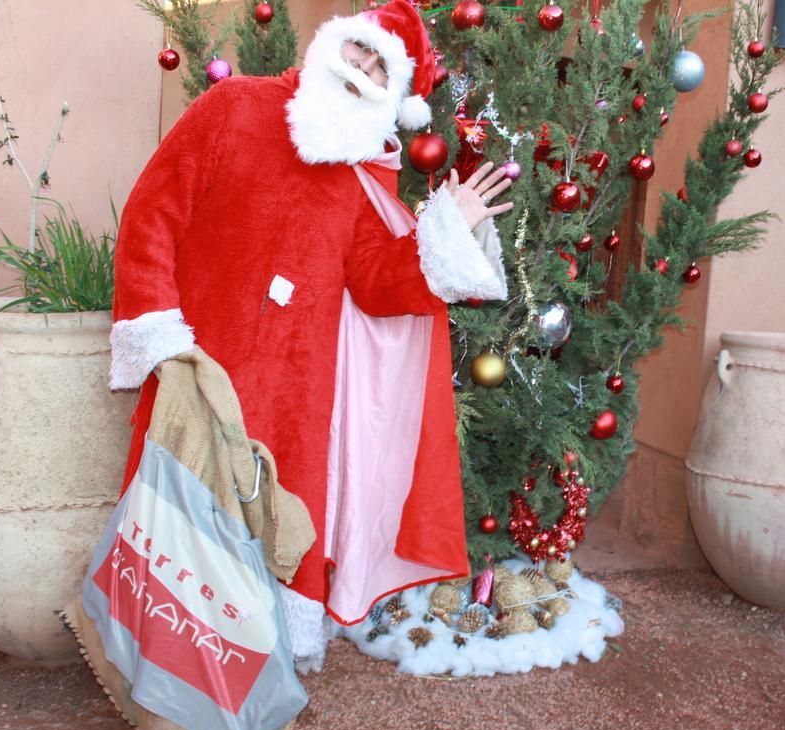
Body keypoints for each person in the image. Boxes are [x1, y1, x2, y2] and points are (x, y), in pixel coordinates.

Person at [108, 1, 512, 671]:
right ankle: (163, 676)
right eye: (361, 49)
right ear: (333, 43)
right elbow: (152, 216)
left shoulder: (357, 175)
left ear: (394, 95)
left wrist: (450, 228)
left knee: (282, 532)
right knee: (180, 519)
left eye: (383, 68)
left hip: (299, 400)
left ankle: (256, 678)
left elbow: (379, 282)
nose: (362, 70)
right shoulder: (232, 107)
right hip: (203, 371)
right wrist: (161, 335)